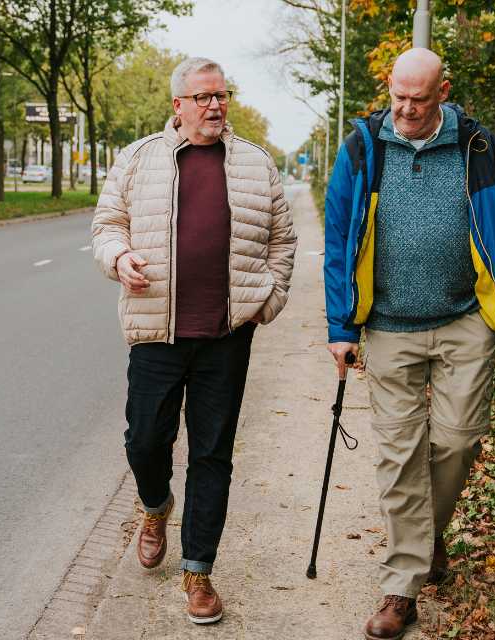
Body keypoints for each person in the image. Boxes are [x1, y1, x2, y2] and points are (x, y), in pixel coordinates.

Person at [323, 48, 495, 640]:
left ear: (443, 91)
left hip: (465, 320)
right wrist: (342, 327)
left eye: (418, 98)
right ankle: (403, 583)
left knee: (459, 440)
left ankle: (426, 535)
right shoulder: (364, 146)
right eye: (398, 97)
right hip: (388, 324)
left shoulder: (480, 148)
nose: (406, 109)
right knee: (399, 454)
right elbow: (339, 233)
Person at [91, 56, 296, 625]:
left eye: (221, 95)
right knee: (146, 440)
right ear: (177, 105)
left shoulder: (255, 163)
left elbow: (283, 238)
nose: (214, 105)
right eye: (203, 97)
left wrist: (268, 299)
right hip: (157, 331)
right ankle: (155, 507)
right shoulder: (136, 160)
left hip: (227, 336)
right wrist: (119, 255)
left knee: (213, 455)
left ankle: (199, 572)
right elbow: (106, 225)